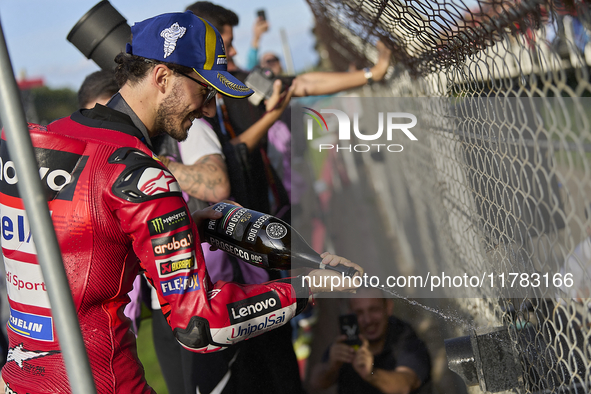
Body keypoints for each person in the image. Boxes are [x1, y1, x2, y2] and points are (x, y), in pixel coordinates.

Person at [0, 11, 362, 394]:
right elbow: (200, 324)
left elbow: (87, 239)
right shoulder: (145, 179)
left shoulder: (27, 145)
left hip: (19, 380)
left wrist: (193, 224)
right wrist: (307, 287)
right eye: (204, 90)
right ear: (162, 77)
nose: (208, 108)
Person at [310, 287, 432, 394]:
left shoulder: (403, 336)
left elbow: (406, 385)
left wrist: (371, 374)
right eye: (359, 313)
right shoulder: (349, 338)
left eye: (374, 310)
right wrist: (331, 367)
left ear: (388, 307)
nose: (367, 320)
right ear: (350, 314)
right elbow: (316, 383)